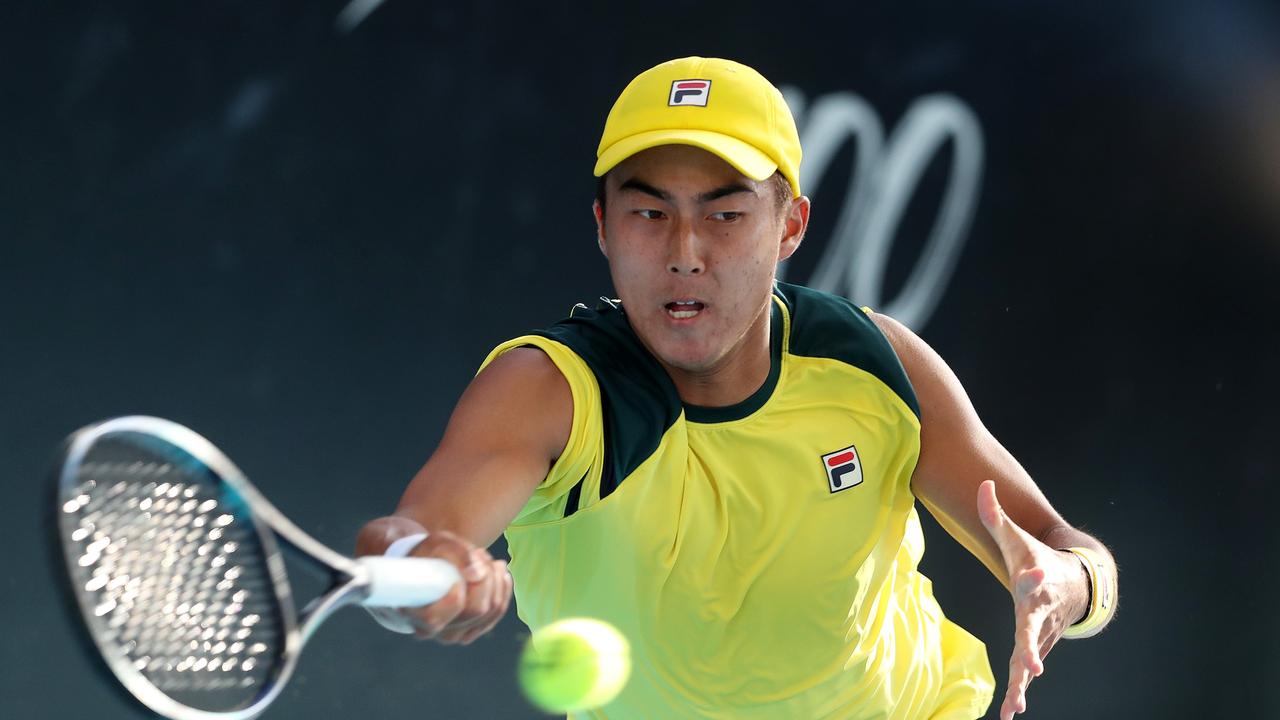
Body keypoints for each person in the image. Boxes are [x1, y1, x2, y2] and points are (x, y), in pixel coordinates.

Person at [355, 57, 1117, 719]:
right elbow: (416, 536)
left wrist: (1069, 584)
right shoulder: (550, 388)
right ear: (602, 227)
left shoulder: (876, 367)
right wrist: (424, 571)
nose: (685, 253)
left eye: (724, 213)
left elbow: (1066, 547)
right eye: (649, 212)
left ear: (790, 226)